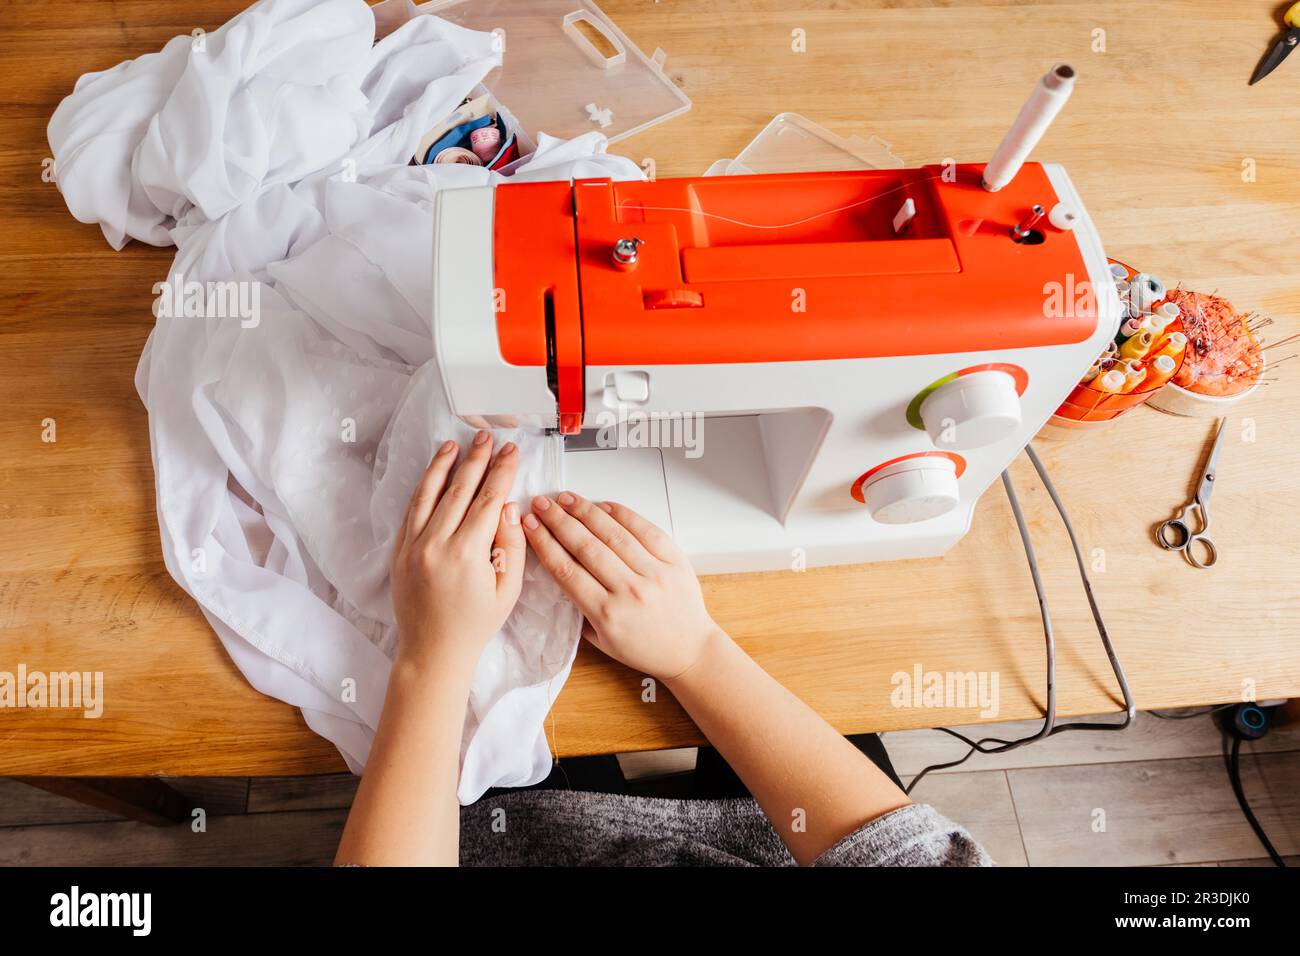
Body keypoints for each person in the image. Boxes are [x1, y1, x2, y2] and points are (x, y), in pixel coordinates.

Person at [334, 432, 990, 867]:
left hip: (538, 841)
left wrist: (432, 659)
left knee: (510, 726)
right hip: (779, 843)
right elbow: (904, 851)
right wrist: (696, 653)